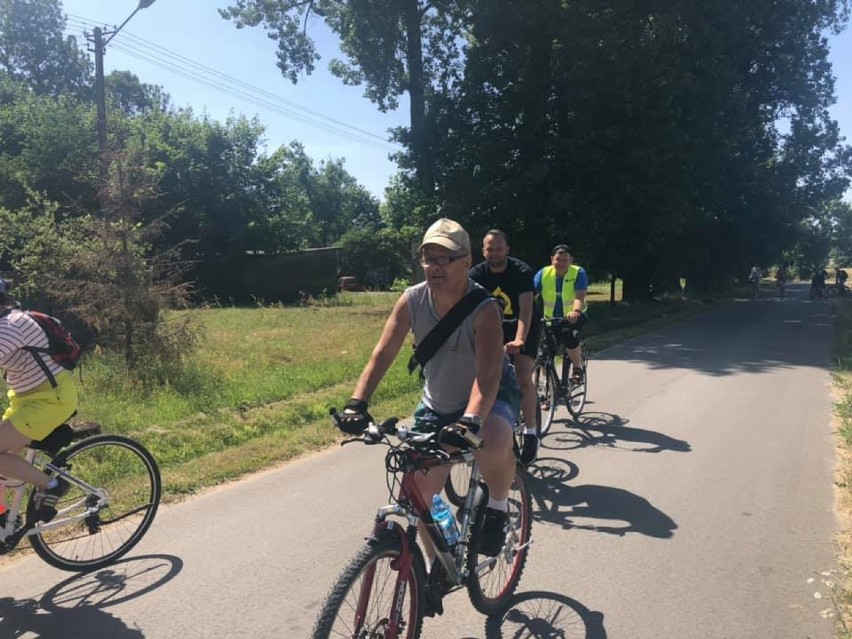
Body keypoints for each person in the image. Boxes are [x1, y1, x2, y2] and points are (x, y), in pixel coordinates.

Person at [335, 218, 520, 564]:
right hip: (439, 401)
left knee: (493, 439)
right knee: (415, 492)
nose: (435, 267)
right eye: (428, 258)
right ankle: (439, 565)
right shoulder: (411, 301)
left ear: (467, 261)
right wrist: (356, 403)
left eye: (444, 258)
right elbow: (383, 354)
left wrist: (471, 421)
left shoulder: (485, 309)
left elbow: (489, 375)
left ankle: (497, 505)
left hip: (486, 396)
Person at [0, 277, 78, 523]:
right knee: (3, 466)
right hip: (24, 402)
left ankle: (53, 485)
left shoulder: (12, 324)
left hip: (50, 401)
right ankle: (4, 517)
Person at [469, 230, 540, 466]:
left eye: (499, 248)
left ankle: (530, 432)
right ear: (483, 251)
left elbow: (526, 309)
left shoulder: (521, 272)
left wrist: (519, 340)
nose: (494, 253)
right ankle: (505, 428)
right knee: (489, 379)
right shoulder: (477, 274)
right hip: (494, 328)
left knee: (522, 377)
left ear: (507, 249)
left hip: (523, 325)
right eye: (490, 249)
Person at [534, 245, 589, 385]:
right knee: (547, 349)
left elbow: (580, 296)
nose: (561, 263)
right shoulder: (543, 273)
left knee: (568, 335)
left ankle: (577, 368)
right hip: (550, 319)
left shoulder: (578, 273)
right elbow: (532, 295)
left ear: (571, 260)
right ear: (552, 259)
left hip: (573, 317)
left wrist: (576, 311)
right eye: (558, 259)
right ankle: (550, 387)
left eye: (565, 260)